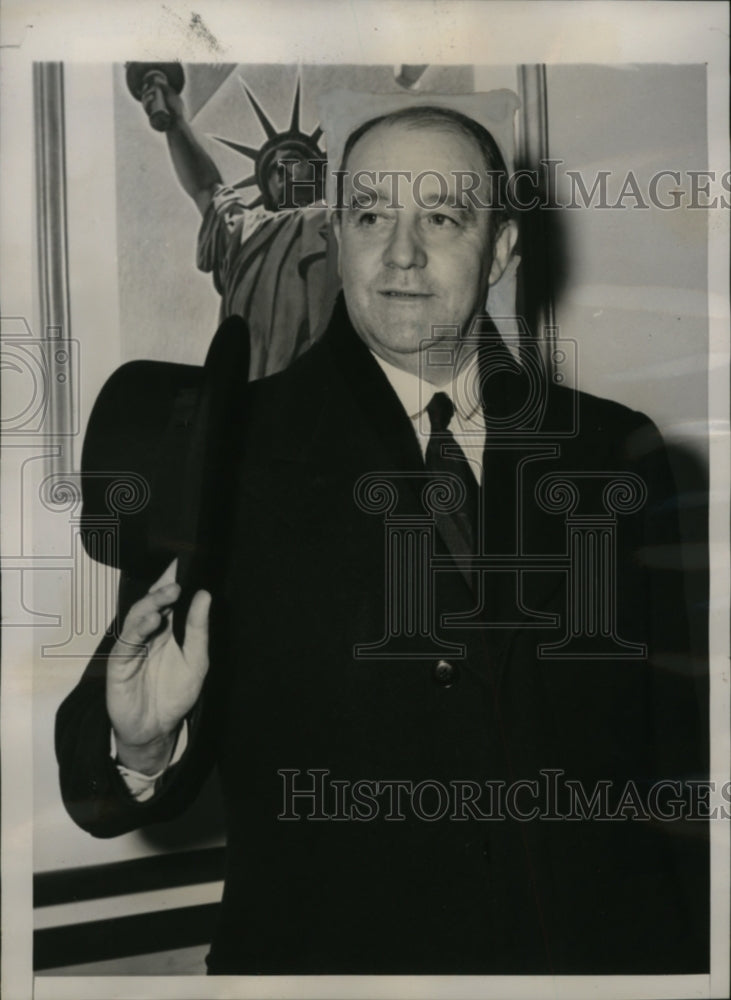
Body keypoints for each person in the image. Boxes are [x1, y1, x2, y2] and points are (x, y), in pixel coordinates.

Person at [56, 105, 708, 975]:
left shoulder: (615, 452)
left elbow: (667, 761)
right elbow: (112, 730)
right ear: (336, 236)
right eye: (370, 216)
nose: (401, 254)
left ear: (503, 250)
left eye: (441, 217)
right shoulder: (227, 451)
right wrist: (140, 743)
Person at [141, 70, 339, 379]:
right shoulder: (246, 229)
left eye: (292, 162)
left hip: (314, 384)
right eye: (273, 168)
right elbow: (206, 188)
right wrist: (175, 122)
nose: (280, 171)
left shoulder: (340, 222)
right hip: (245, 390)